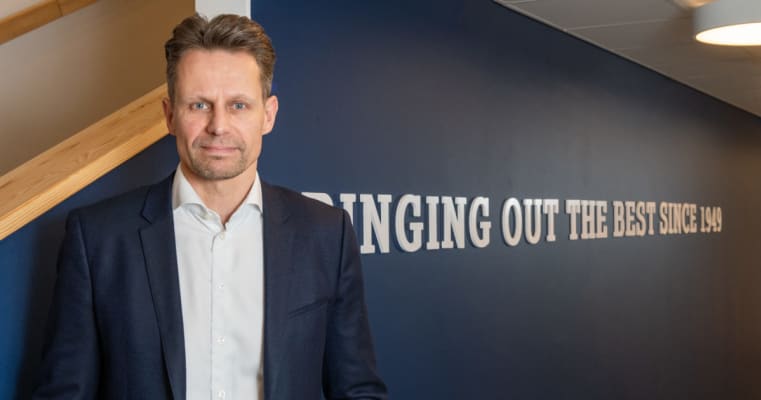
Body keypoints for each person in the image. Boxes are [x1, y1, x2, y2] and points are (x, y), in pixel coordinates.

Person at [33, 13, 387, 400]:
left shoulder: (326, 234)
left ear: (268, 115)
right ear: (170, 115)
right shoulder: (97, 239)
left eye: (238, 105)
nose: (218, 126)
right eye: (199, 105)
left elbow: (357, 390)